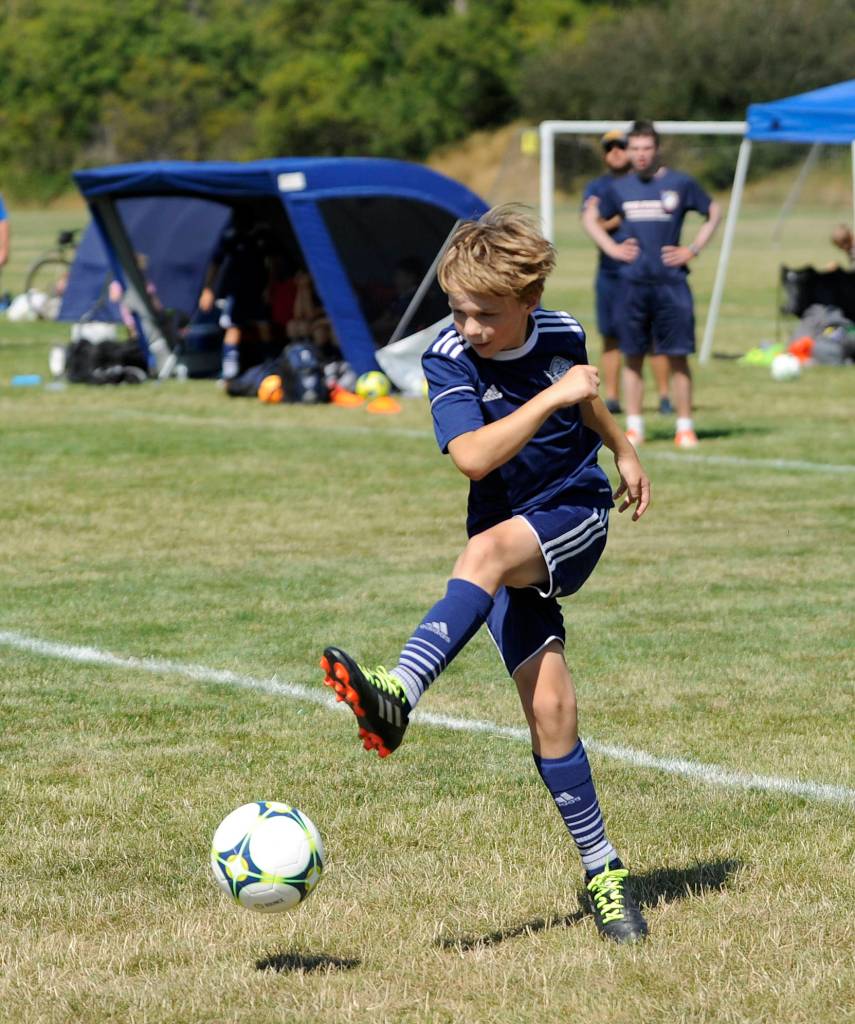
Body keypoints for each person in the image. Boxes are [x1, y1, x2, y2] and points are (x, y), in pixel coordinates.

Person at [320, 206, 651, 944]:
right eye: (459, 310)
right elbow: (472, 456)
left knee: (485, 556)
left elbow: (583, 389)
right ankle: (605, 872)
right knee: (551, 712)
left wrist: (621, 450)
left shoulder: (560, 329)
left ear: (527, 302)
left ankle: (398, 693)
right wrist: (554, 397)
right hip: (501, 534)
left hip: (573, 511)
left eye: (486, 315)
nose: (469, 327)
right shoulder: (448, 356)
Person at [582, 120, 721, 448]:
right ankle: (635, 426)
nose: (641, 155)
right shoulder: (618, 188)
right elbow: (590, 217)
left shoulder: (680, 183)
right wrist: (613, 248)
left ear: (657, 149)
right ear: (628, 152)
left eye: (646, 148)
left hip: (671, 283)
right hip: (631, 284)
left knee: (677, 355)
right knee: (632, 355)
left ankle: (685, 426)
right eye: (635, 149)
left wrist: (693, 249)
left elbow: (713, 211)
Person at [582, 130, 672, 416]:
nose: (617, 152)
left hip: (646, 272)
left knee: (653, 336)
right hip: (611, 273)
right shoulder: (598, 187)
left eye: (622, 146)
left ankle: (665, 397)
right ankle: (611, 396)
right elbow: (595, 223)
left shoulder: (648, 182)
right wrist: (624, 214)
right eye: (610, 148)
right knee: (611, 335)